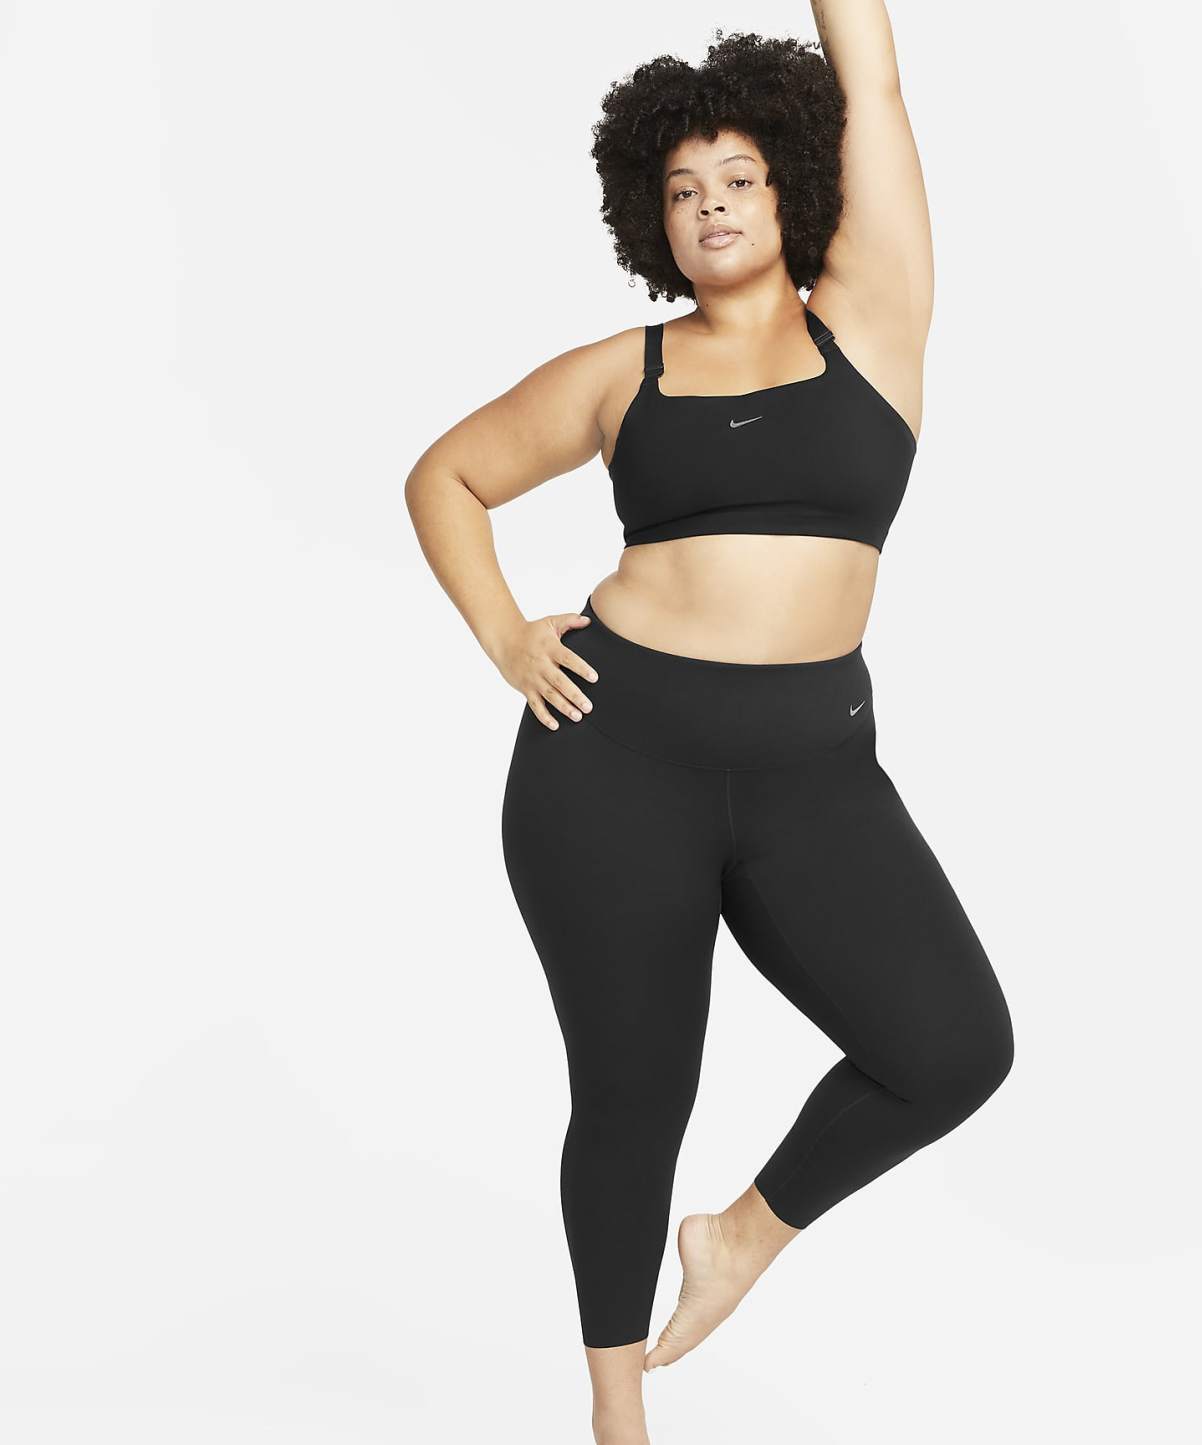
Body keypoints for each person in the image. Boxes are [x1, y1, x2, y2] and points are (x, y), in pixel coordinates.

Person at [405, 12, 1014, 1444]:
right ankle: (618, 1415)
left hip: (815, 772)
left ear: (795, 184)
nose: (713, 206)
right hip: (614, 762)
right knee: (634, 1091)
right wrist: (507, 637)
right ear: (652, 218)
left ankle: (740, 1235)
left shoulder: (872, 320)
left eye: (739, 177)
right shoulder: (621, 373)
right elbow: (446, 476)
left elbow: (872, 77)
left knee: (952, 1046)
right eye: (682, 190)